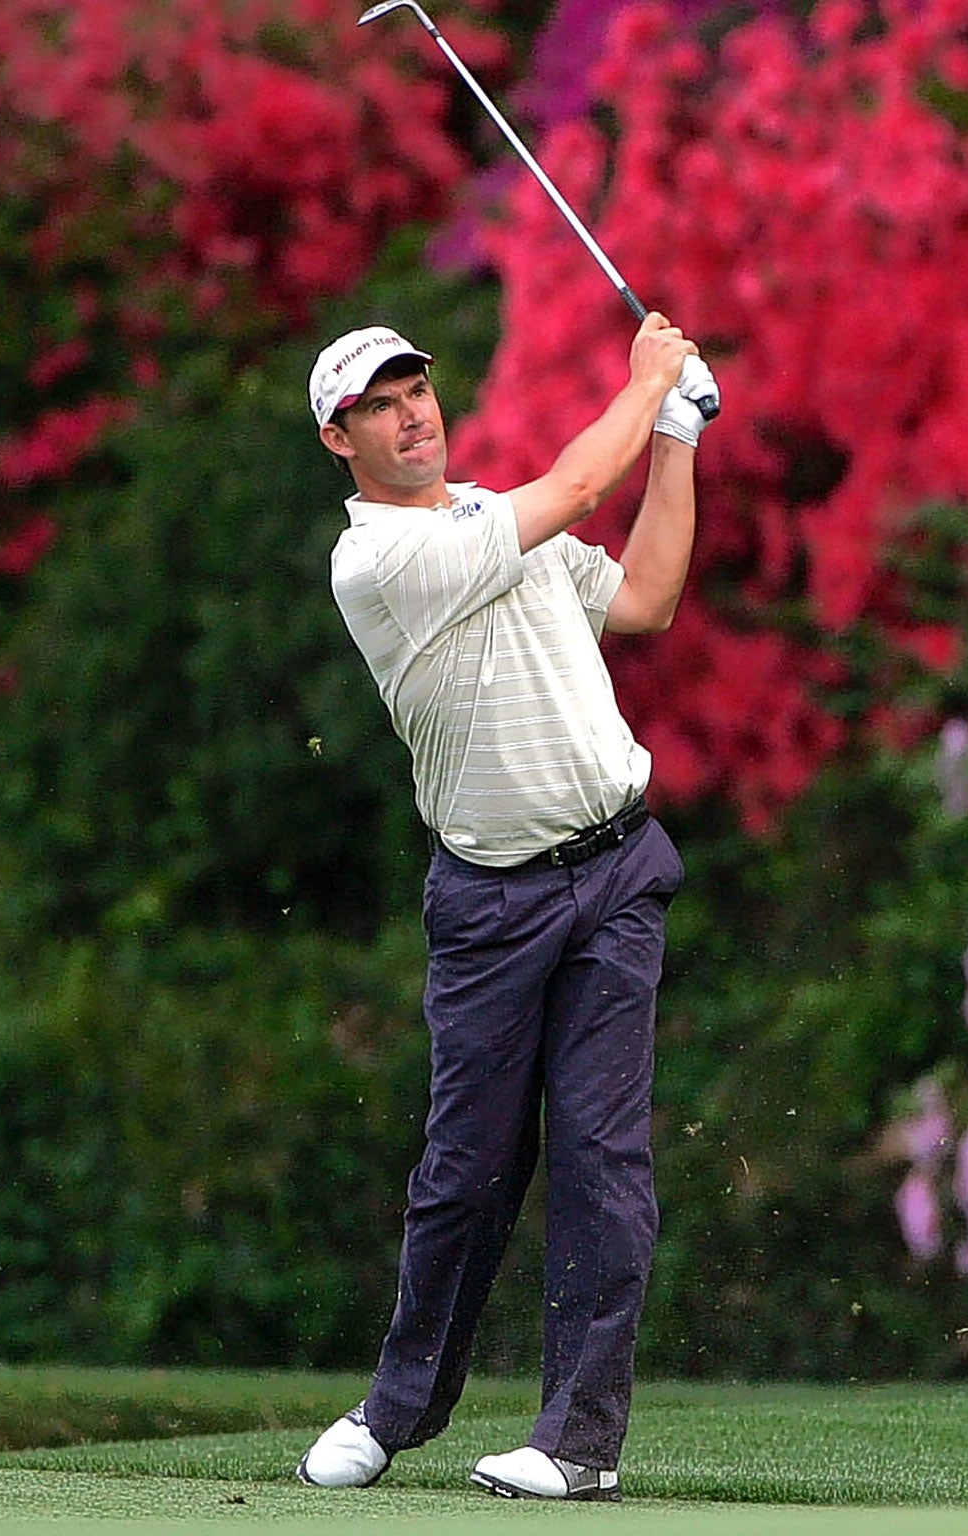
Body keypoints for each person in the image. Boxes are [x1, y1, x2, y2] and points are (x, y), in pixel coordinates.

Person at [295, 316, 717, 1502]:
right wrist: (646, 377)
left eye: (416, 390)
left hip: (616, 875)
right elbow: (583, 480)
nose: (411, 414)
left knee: (600, 1157)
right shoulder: (378, 562)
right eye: (379, 405)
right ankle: (395, 1411)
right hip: (489, 902)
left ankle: (577, 1444)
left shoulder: (498, 525)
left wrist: (675, 434)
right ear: (339, 439)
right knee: (467, 1169)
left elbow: (641, 600)